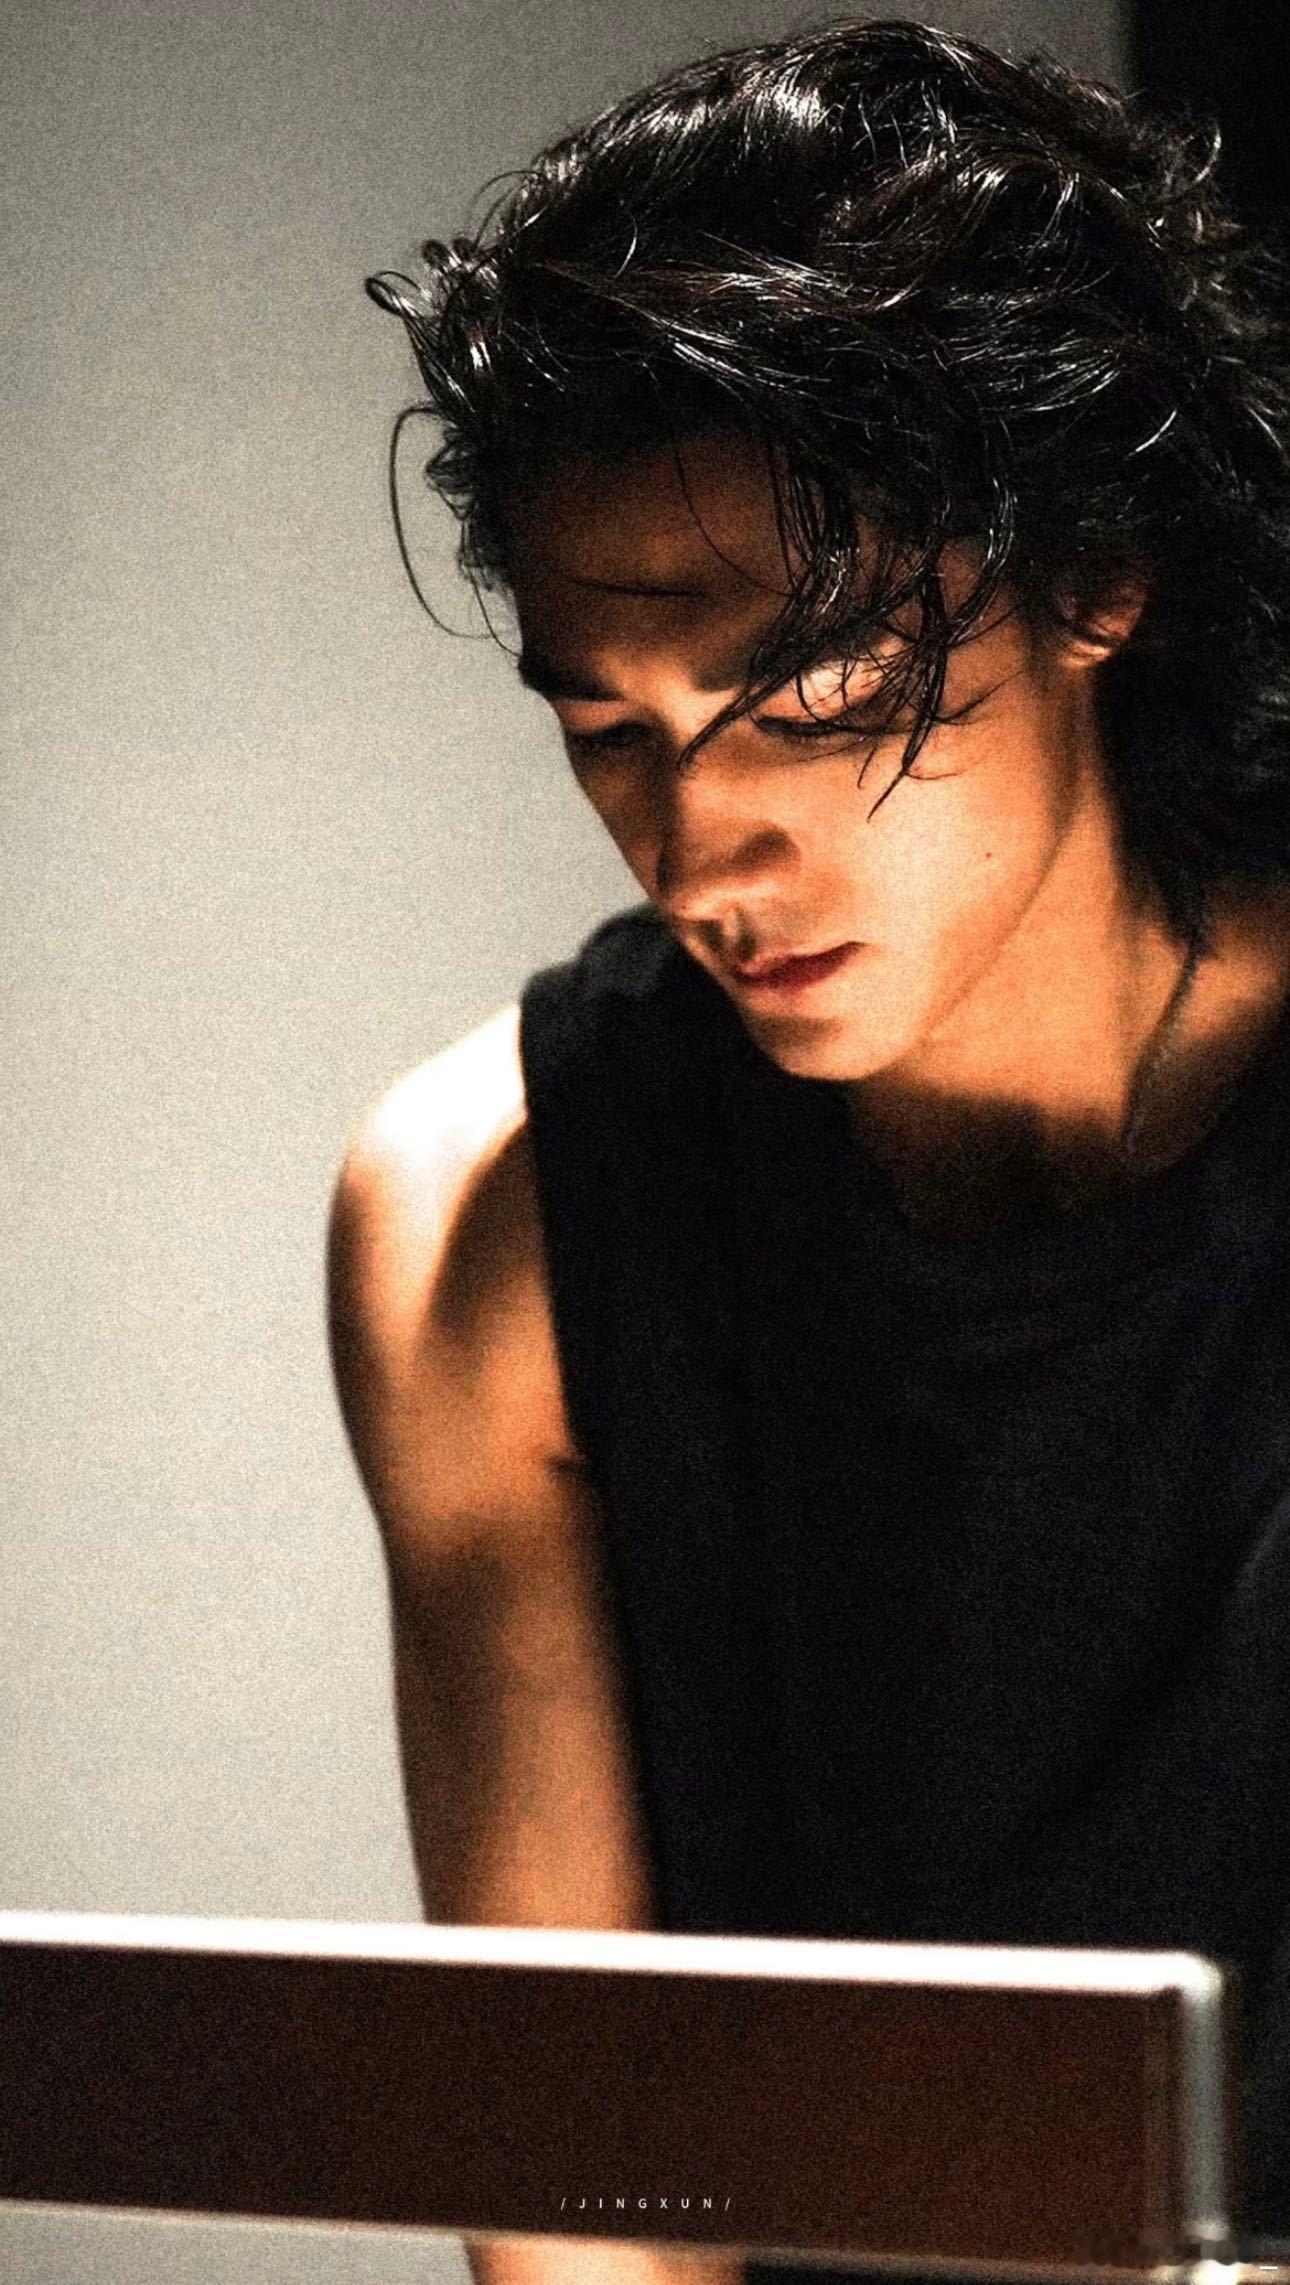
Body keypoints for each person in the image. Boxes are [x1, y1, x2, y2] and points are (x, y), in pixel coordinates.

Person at [328, 20, 1290, 2280]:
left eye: (816, 695)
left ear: (1092, 575)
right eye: (613, 728)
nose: (699, 849)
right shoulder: (493, 1216)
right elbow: (572, 2192)